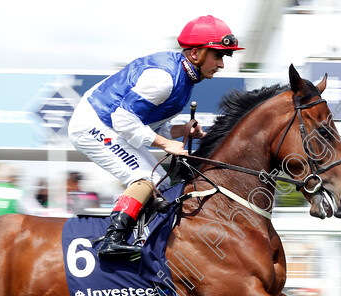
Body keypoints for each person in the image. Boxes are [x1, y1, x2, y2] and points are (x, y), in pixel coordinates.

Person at [68, 15, 242, 259]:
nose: (222, 64)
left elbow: (148, 123)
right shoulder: (164, 79)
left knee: (163, 184)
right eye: (218, 56)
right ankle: (112, 240)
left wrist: (180, 131)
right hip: (94, 124)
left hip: (113, 123)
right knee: (144, 179)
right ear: (195, 54)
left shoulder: (186, 76)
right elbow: (123, 120)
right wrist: (165, 144)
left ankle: (141, 240)